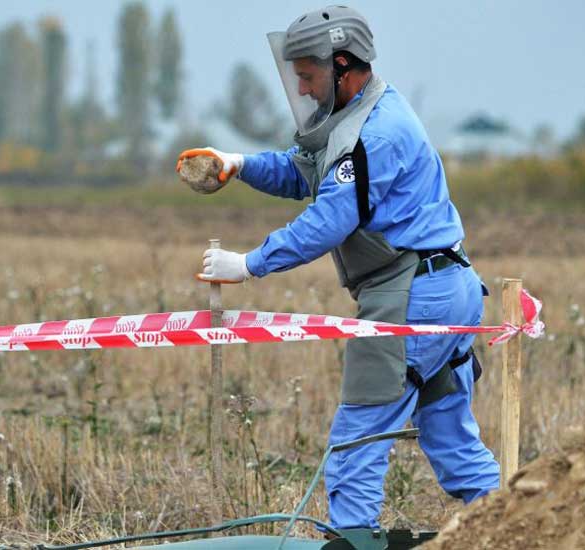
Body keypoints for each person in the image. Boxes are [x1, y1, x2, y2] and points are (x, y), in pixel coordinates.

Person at [177, 5, 500, 531]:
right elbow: (300, 169)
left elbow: (330, 218)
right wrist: (238, 164)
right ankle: (517, 528)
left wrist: (249, 264)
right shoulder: (357, 119)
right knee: (449, 434)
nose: (302, 89)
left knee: (357, 436)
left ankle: (354, 541)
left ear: (343, 65)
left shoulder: (375, 135)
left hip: (410, 297)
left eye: (307, 76)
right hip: (446, 285)